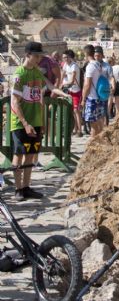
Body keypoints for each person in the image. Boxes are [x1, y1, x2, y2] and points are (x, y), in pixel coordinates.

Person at [10, 41, 70, 201]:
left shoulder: (36, 73)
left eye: (40, 56)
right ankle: (18, 190)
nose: (39, 59)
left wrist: (64, 94)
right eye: (37, 56)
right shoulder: (19, 74)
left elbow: (50, 86)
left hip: (35, 123)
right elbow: (14, 102)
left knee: (31, 154)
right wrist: (25, 123)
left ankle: (26, 187)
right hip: (21, 123)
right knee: (19, 155)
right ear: (28, 55)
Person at [61, 49, 83, 137]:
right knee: (72, 111)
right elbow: (62, 74)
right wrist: (60, 82)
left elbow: (72, 80)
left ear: (69, 57)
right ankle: (75, 128)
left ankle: (80, 130)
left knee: (76, 111)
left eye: (66, 57)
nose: (64, 59)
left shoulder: (74, 66)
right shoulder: (66, 65)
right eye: (63, 57)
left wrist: (63, 84)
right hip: (70, 90)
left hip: (76, 90)